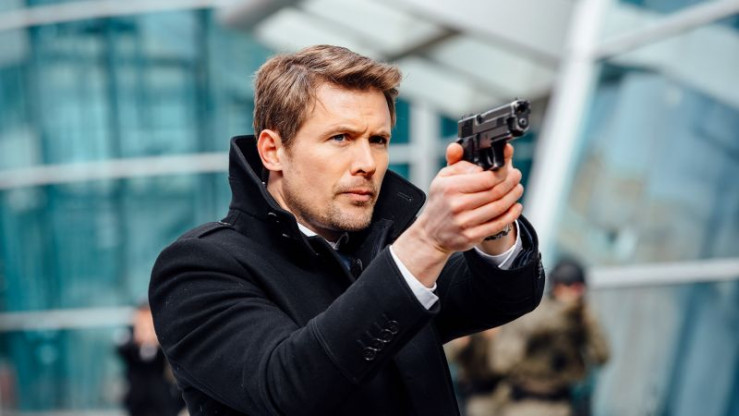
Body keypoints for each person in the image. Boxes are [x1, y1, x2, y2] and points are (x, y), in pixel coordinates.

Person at [149, 44, 545, 416]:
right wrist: (427, 241)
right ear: (273, 150)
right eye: (341, 138)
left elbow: (502, 298)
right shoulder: (198, 267)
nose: (367, 163)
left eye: (378, 140)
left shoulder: (385, 244)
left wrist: (491, 220)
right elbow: (287, 387)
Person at [488, 258, 610, 416]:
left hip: (560, 403)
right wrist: (562, 314)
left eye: (578, 289)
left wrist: (587, 322)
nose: (574, 294)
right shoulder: (535, 309)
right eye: (569, 288)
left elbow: (602, 356)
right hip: (523, 401)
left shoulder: (583, 317)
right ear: (557, 287)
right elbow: (501, 362)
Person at [116, 302, 185, 416]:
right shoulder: (129, 344)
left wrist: (155, 341)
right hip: (137, 403)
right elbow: (122, 350)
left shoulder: (167, 343)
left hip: (164, 403)